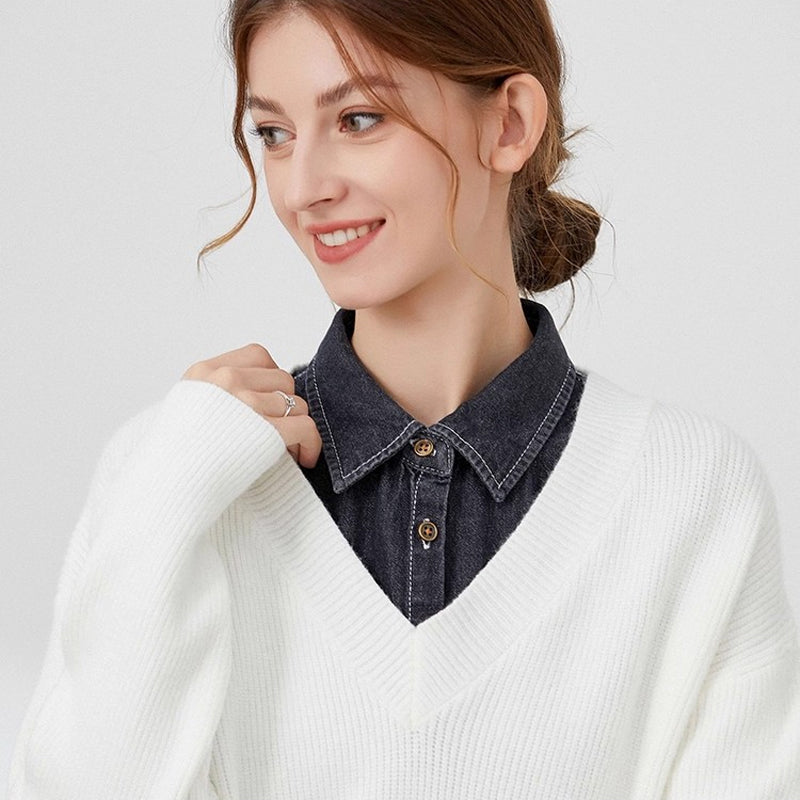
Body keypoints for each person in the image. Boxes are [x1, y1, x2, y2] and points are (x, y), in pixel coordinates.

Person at [8, 0, 800, 797]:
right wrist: (165, 496)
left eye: (358, 119)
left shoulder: (688, 491)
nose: (302, 188)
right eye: (273, 134)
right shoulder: (177, 477)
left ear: (509, 124)